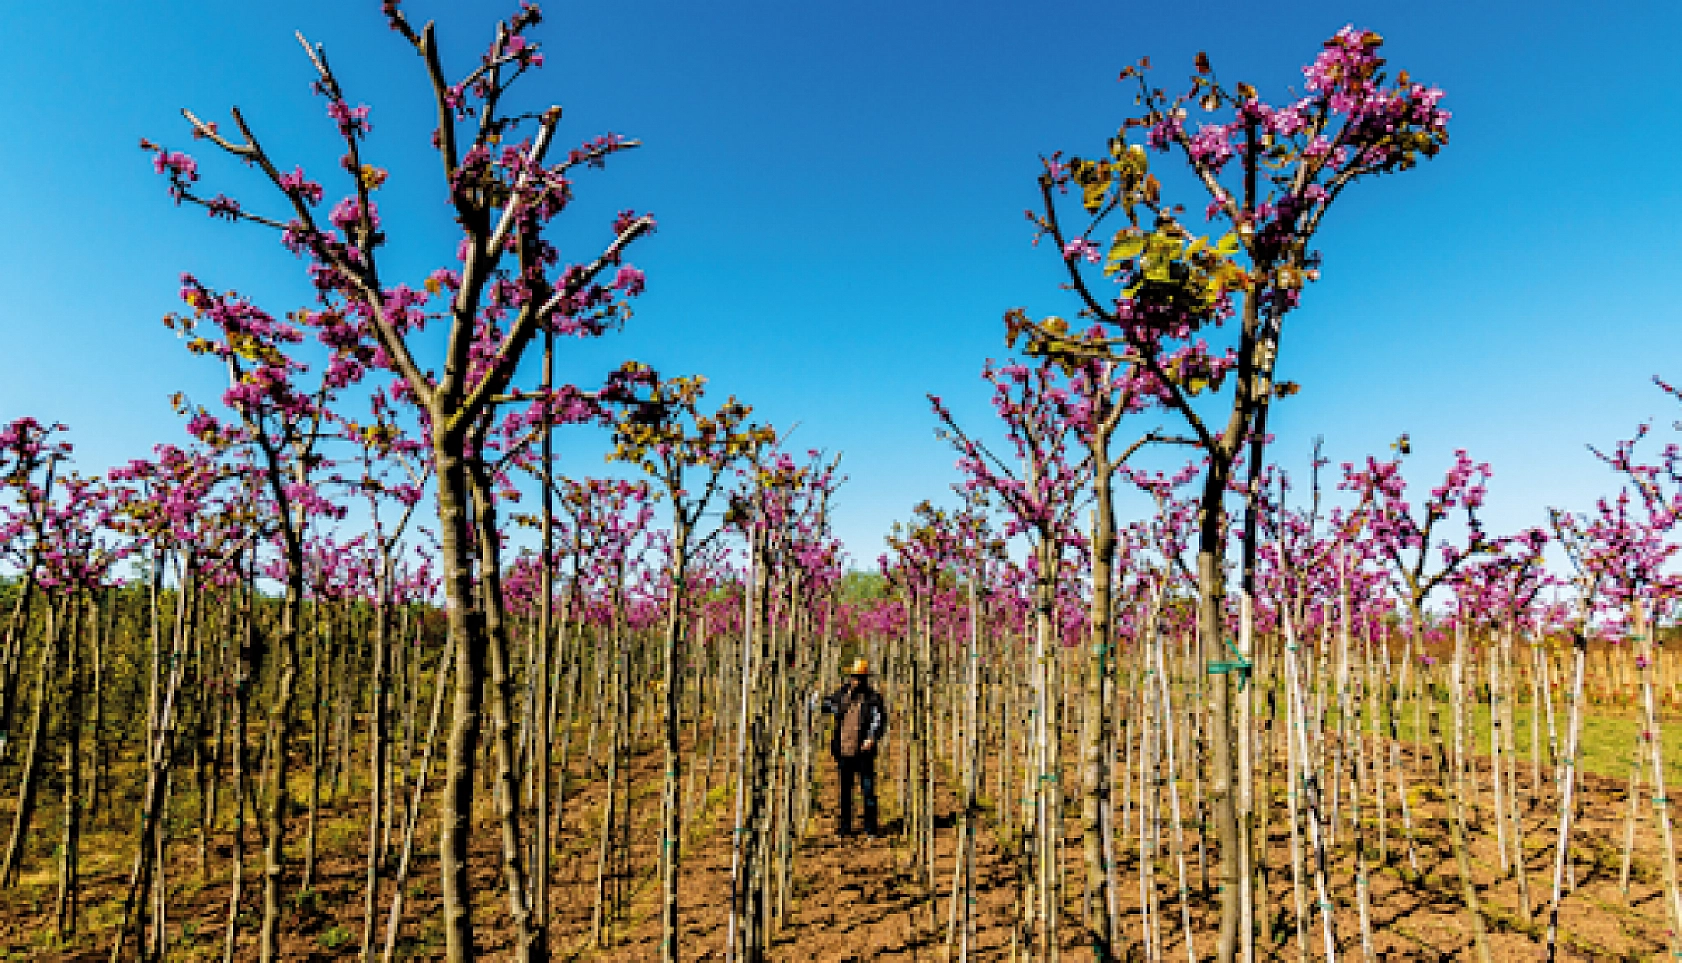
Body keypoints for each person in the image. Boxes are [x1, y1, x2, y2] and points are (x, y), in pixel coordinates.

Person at [819, 657, 887, 838]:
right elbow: (826, 705)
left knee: (868, 791)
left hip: (863, 752)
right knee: (845, 792)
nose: (855, 680)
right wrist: (818, 701)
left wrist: (871, 738)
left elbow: (878, 720)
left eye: (858, 677)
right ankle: (845, 828)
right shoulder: (841, 695)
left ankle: (870, 828)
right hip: (844, 750)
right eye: (853, 677)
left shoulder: (873, 698)